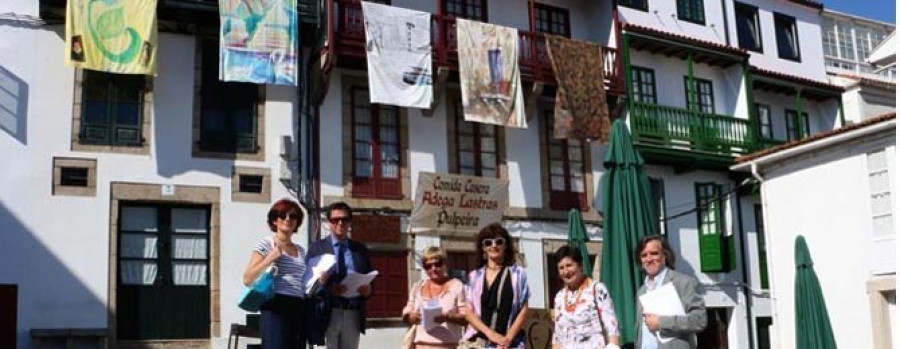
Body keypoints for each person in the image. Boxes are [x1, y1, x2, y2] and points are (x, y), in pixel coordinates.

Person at [242, 199, 308, 348]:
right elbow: (247, 278)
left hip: (298, 306)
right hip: (275, 306)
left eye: (293, 216)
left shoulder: (301, 250)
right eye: (282, 215)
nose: (288, 219)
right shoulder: (266, 243)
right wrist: (269, 259)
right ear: (274, 221)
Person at [306, 202, 374, 349]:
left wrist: (368, 291)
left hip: (353, 313)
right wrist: (329, 290)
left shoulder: (360, 250)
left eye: (344, 219)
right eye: (335, 220)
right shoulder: (317, 248)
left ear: (350, 222)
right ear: (328, 222)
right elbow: (307, 284)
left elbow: (371, 278)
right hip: (326, 313)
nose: (340, 223)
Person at [462, 223, 530, 349]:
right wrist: (491, 335)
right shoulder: (474, 277)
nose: (494, 245)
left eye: (499, 241)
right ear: (483, 248)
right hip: (479, 342)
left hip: (510, 343)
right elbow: (468, 312)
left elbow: (524, 309)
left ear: (505, 245)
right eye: (488, 243)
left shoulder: (518, 274)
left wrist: (507, 339)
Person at [634, 235, 707, 349]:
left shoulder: (683, 283)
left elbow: (699, 320)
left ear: (665, 256)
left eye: (654, 253)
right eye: (644, 255)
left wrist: (662, 323)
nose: (649, 259)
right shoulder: (641, 292)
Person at [551, 246, 620, 349]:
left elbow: (612, 327)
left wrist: (613, 345)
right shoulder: (559, 297)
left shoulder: (597, 289)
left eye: (569, 265)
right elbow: (557, 335)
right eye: (561, 268)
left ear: (580, 265)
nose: (565, 271)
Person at [402, 246, 468, 348]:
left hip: (447, 346)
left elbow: (466, 317)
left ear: (445, 264)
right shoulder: (417, 287)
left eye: (438, 264)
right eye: (428, 266)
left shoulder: (457, 285)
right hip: (420, 345)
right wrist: (411, 317)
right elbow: (407, 311)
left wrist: (449, 317)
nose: (434, 269)